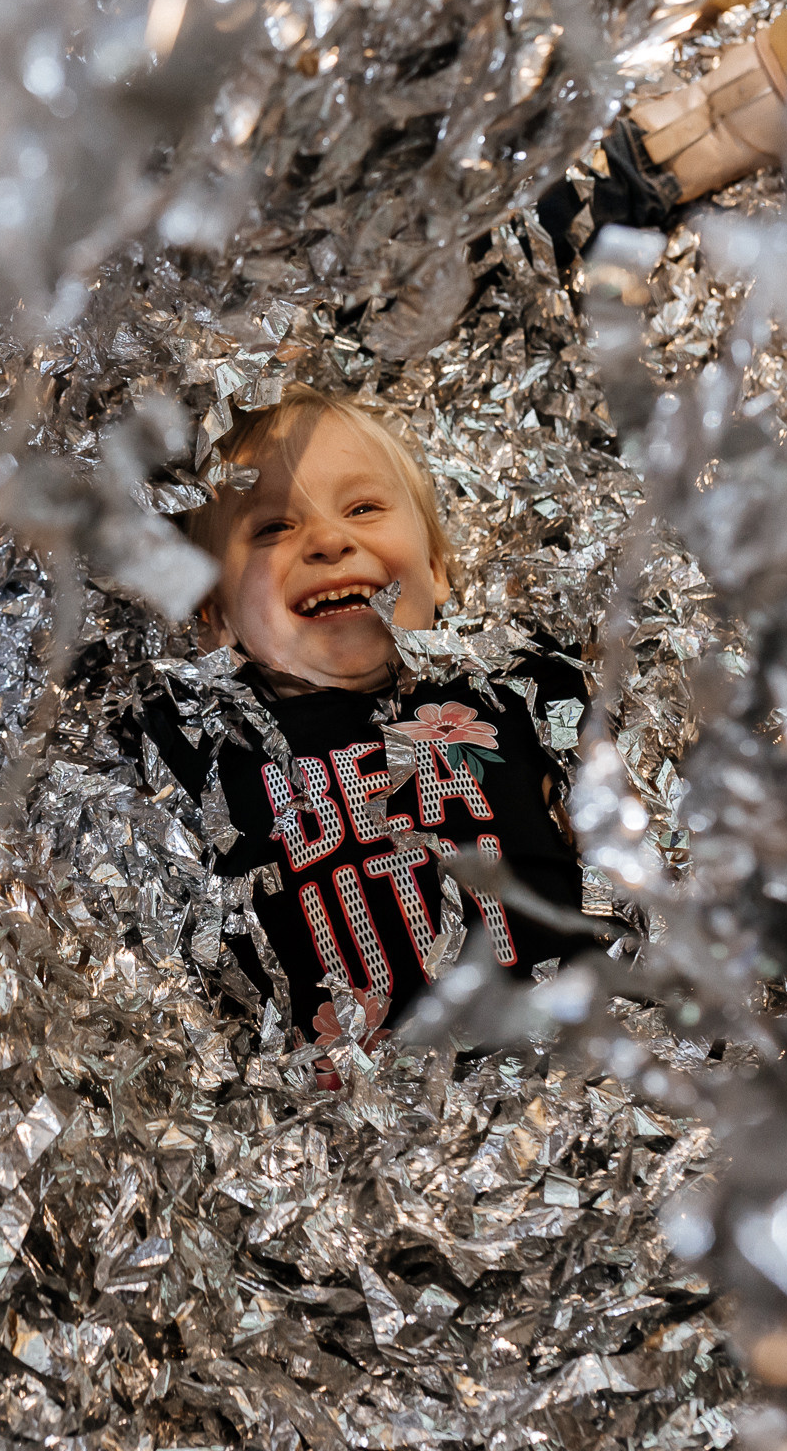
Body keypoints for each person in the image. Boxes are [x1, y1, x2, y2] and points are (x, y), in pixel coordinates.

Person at [133, 387, 598, 1078]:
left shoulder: (509, 683)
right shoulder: (202, 753)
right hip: (350, 1136)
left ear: (437, 569)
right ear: (214, 614)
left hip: (570, 1072)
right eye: (271, 529)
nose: (328, 540)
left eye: (363, 508)